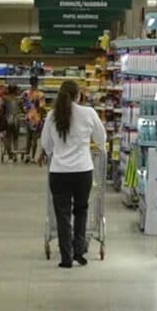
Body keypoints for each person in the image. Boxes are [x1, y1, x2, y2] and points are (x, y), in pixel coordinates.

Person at [40, 80, 106, 268]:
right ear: (79, 95)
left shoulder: (52, 115)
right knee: (81, 210)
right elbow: (101, 138)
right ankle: (79, 252)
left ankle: (66, 257)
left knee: (62, 215)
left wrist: (57, 150)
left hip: (59, 172)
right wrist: (97, 146)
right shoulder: (88, 113)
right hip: (83, 171)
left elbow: (46, 144)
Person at [0, 84, 25, 162]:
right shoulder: (19, 99)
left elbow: (2, 110)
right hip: (16, 120)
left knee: (8, 137)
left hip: (7, 119)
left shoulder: (5, 99)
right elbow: (23, 110)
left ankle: (10, 155)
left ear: (8, 90)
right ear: (16, 90)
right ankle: (15, 155)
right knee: (16, 138)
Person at [22, 77, 45, 163]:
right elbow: (41, 108)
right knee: (35, 139)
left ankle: (27, 156)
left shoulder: (25, 94)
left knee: (28, 138)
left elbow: (23, 107)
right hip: (37, 119)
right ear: (37, 83)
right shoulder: (41, 95)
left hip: (28, 118)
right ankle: (32, 157)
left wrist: (28, 112)